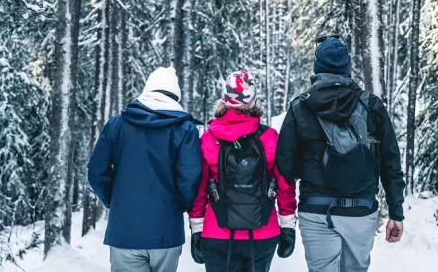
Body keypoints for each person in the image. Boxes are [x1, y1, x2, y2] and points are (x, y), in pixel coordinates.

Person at [276, 36, 405, 272]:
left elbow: (285, 167)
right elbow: (390, 162)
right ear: (347, 67)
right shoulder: (371, 105)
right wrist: (396, 212)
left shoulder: (300, 107)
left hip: (315, 209)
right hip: (361, 209)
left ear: (317, 67)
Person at [87, 67, 202, 272]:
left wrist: (115, 201)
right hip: (166, 232)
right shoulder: (185, 129)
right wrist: (177, 206)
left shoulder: (117, 124)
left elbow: (96, 172)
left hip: (124, 232)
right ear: (176, 96)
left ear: (147, 91)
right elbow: (190, 176)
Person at [189, 70, 297, 272]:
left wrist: (196, 228)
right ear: (253, 100)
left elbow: (199, 188)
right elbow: (285, 184)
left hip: (216, 234)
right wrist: (288, 225)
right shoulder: (270, 137)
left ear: (225, 99)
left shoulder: (209, 139)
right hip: (263, 234)